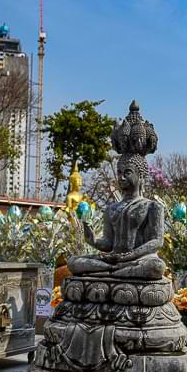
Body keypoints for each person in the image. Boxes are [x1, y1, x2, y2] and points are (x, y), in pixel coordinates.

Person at [67, 102, 165, 280]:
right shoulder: (112, 208)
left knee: (156, 267)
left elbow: (156, 242)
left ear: (141, 176)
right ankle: (115, 273)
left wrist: (130, 256)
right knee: (74, 262)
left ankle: (111, 274)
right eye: (119, 172)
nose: (121, 177)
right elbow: (109, 243)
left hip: (138, 260)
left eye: (127, 173)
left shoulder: (152, 207)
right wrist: (93, 240)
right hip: (113, 260)